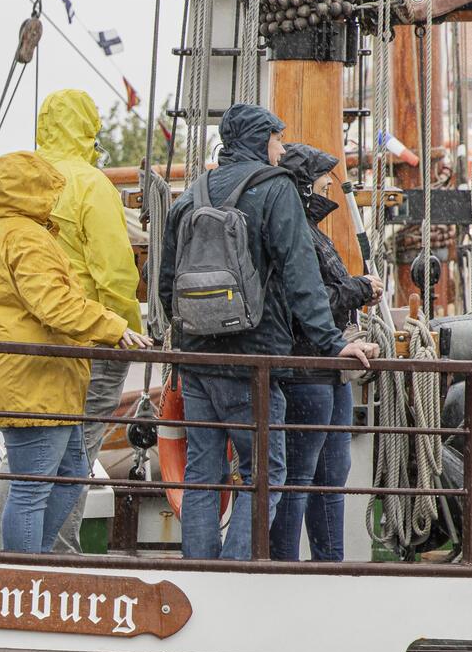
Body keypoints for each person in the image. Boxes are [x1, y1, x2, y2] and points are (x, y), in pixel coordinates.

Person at [156, 104, 378, 560]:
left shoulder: (192, 194)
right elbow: (302, 279)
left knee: (202, 472)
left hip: (196, 359)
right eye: (276, 140)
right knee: (266, 472)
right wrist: (334, 343)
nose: (280, 149)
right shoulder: (274, 190)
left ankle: (200, 567)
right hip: (252, 360)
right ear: (260, 141)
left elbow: (165, 283)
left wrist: (187, 341)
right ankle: (237, 569)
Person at [0, 151, 152, 553]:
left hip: (24, 375)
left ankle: (36, 562)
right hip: (34, 378)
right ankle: (27, 575)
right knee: (34, 488)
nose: (54, 199)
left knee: (70, 472)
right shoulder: (26, 236)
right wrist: (114, 327)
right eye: (49, 192)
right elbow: (53, 302)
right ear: (33, 193)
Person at [270, 144, 384, 562]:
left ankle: (328, 565)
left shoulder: (312, 230)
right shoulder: (294, 231)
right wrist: (359, 288)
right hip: (306, 370)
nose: (330, 183)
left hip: (331, 369)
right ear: (305, 184)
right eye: (323, 176)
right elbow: (303, 300)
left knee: (332, 476)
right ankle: (283, 566)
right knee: (299, 477)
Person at [35, 90, 144, 464]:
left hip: (32, 336)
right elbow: (114, 271)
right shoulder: (91, 184)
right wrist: (125, 331)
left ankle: (10, 526)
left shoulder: (25, 179)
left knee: (31, 453)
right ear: (89, 127)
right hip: (90, 335)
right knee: (78, 450)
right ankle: (63, 526)